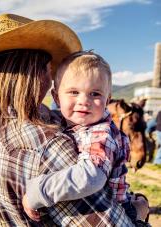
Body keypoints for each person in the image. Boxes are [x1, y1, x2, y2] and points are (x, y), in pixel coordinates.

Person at [0, 13, 138, 226]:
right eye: (49, 68)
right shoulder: (46, 144)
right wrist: (140, 214)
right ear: (36, 73)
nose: (50, 78)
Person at [22, 51, 149, 225]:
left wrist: (38, 192)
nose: (84, 101)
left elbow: (91, 176)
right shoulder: (70, 121)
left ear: (107, 99)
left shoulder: (101, 133)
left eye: (95, 94)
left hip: (115, 210)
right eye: (74, 92)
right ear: (56, 97)